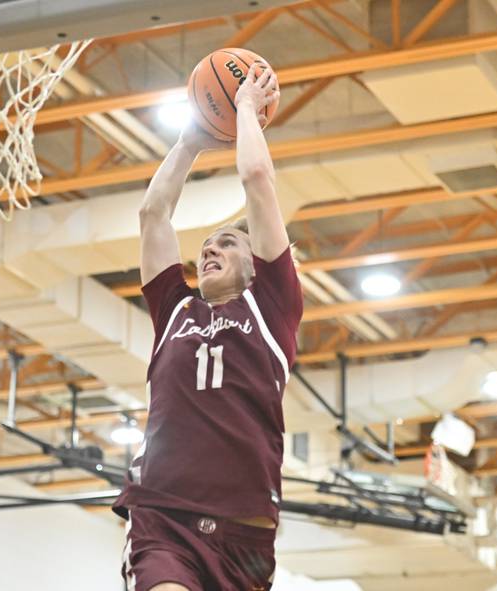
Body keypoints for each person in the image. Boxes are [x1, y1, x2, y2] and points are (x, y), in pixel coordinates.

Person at [112, 65, 303, 591]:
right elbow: (153, 215)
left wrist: (245, 109)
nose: (211, 249)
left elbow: (257, 179)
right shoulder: (175, 310)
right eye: (207, 245)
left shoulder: (272, 308)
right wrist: (189, 143)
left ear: (256, 265)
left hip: (244, 534)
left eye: (228, 243)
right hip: (163, 517)